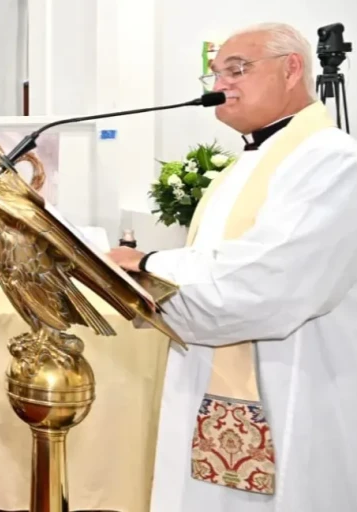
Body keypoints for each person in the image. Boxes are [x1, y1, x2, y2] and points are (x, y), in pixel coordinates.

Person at [107, 23, 357, 511]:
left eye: (237, 69)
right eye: (216, 73)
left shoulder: (334, 161)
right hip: (208, 376)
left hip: (295, 384)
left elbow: (269, 282)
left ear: (291, 69)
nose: (220, 85)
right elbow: (214, 261)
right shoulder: (245, 165)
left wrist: (149, 265)